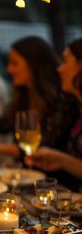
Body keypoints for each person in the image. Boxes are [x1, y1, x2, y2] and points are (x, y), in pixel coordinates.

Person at [0, 36, 78, 155]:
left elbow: (44, 147)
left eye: (14, 63)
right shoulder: (25, 95)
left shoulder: (62, 97)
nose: (9, 69)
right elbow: (3, 123)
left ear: (34, 64)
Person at [29, 38, 82, 189]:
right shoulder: (78, 107)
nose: (59, 69)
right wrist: (61, 160)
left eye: (66, 62)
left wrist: (61, 159)